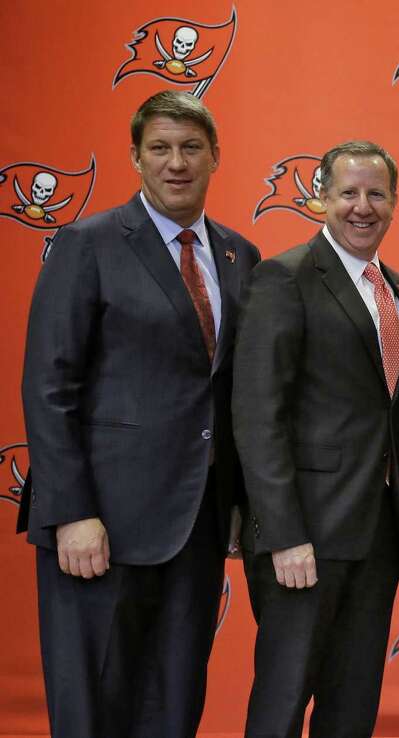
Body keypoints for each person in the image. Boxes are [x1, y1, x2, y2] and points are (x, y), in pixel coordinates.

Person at [19, 89, 260, 737]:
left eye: (190, 148)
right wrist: (72, 513)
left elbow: (236, 390)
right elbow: (49, 385)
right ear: (136, 158)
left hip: (197, 527)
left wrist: (237, 502)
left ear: (215, 156)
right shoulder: (87, 243)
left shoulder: (240, 256)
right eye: (160, 149)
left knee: (173, 706)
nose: (175, 163)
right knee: (96, 708)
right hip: (102, 528)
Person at [232, 141, 399, 737]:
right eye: (348, 193)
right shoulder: (283, 277)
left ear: (393, 201)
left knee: (351, 708)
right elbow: (259, 415)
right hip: (304, 537)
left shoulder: (396, 287)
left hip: (376, 535)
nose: (363, 207)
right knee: (283, 702)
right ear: (321, 199)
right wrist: (283, 535)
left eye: (376, 194)